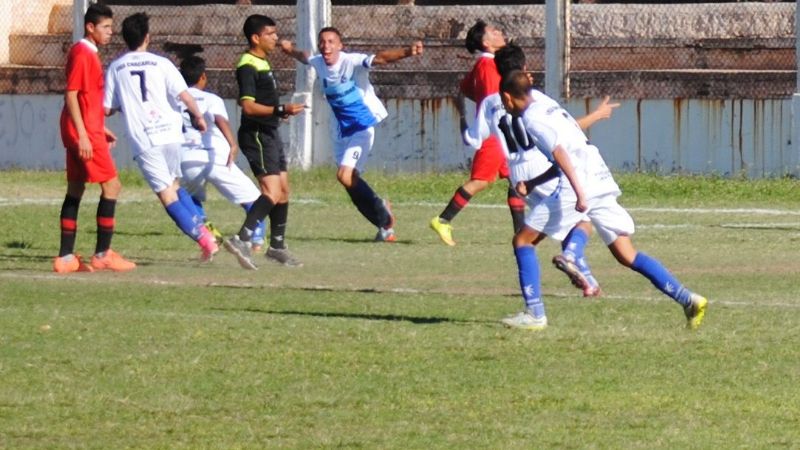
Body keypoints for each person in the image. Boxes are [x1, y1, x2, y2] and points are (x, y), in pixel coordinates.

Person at [497, 69, 708, 330]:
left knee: (523, 240)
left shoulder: (531, 120)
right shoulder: (545, 104)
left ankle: (535, 315)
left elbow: (560, 153)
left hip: (579, 182)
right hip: (598, 172)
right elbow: (568, 149)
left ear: (507, 98)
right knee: (626, 254)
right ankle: (689, 299)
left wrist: (579, 194)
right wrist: (533, 183)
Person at [464, 42, 619, 297]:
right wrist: (599, 114)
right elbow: (567, 130)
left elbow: (476, 137)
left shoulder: (492, 103)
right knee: (583, 216)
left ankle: (588, 279)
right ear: (525, 70)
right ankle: (572, 258)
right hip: (543, 168)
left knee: (561, 219)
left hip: (517, 174)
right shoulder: (535, 99)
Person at [280, 28, 423, 242]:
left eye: (331, 42)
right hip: (341, 130)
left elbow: (381, 58)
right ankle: (383, 223)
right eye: (322, 42)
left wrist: (407, 51)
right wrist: (288, 49)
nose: (326, 46)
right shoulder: (319, 62)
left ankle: (384, 218)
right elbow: (305, 57)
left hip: (361, 127)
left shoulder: (352, 61)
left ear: (340, 45)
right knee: (349, 180)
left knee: (344, 175)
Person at [104, 12, 219, 263]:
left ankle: (205, 240)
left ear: (125, 39)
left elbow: (107, 108)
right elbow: (184, 95)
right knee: (175, 186)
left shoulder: (116, 67)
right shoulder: (162, 63)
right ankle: (206, 231)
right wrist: (198, 117)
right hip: (171, 134)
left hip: (146, 139)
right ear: (148, 37)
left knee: (166, 194)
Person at [54, 3, 136, 274]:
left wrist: (99, 128)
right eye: (106, 27)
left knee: (76, 189)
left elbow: (86, 99)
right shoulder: (83, 53)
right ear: (90, 27)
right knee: (112, 187)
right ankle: (103, 253)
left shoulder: (88, 52)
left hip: (85, 130)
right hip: (83, 133)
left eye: (111, 27)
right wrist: (86, 136)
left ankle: (66, 258)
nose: (111, 32)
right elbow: (72, 94)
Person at [429, 20, 526, 247]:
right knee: (480, 181)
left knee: (516, 179)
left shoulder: (486, 64)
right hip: (495, 134)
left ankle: (521, 234)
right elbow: (497, 99)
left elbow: (465, 89)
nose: (500, 32)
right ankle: (442, 220)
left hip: (502, 132)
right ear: (486, 42)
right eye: (494, 31)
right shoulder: (488, 66)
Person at [222, 14, 306, 270]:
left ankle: (277, 247)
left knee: (283, 191)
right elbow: (247, 107)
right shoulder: (247, 64)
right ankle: (242, 237)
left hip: (269, 132)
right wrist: (280, 110)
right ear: (256, 38)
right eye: (271, 34)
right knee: (271, 192)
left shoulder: (262, 62)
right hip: (256, 135)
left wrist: (278, 115)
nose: (276, 38)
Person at [176, 55, 267, 252]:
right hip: (215, 158)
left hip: (187, 159)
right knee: (255, 199)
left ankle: (210, 235)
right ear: (203, 77)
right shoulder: (211, 99)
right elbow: (219, 120)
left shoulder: (175, 100)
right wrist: (232, 144)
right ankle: (256, 240)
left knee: (190, 199)